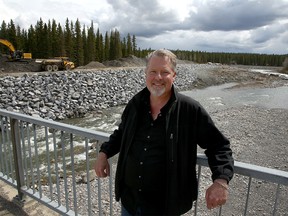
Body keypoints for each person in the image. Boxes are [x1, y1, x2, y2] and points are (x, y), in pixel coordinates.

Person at [94, 49, 234, 215]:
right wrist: (104, 153)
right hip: (130, 202)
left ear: (174, 76)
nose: (158, 77)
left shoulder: (189, 109)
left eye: (164, 72)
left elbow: (219, 145)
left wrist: (221, 180)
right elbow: (122, 133)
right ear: (146, 74)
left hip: (166, 208)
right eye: (153, 72)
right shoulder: (135, 104)